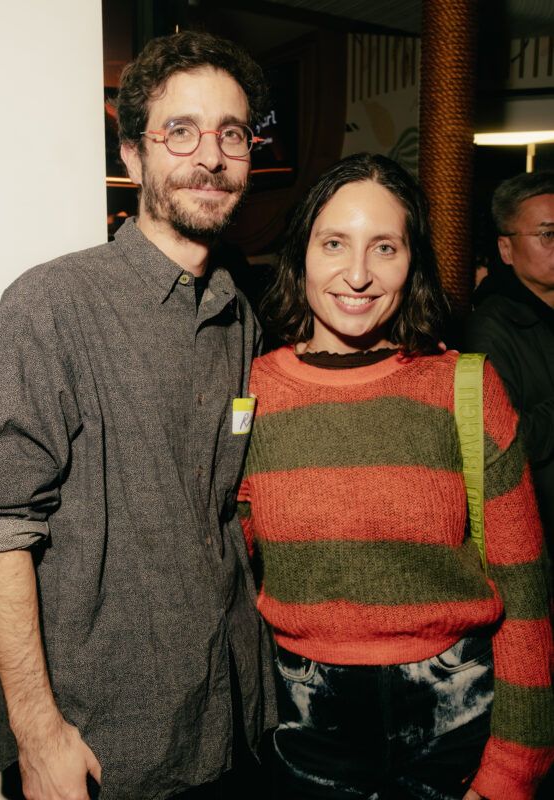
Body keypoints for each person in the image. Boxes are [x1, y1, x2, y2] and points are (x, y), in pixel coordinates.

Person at [0, 31, 277, 800]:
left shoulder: (238, 315)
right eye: (180, 131)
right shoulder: (51, 306)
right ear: (133, 156)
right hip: (101, 747)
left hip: (228, 723)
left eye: (232, 134)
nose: (210, 157)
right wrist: (37, 732)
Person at [237, 153, 554, 800]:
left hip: (457, 723)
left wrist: (514, 767)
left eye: (385, 247)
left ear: (413, 263)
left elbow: (524, 590)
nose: (358, 274)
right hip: (304, 723)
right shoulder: (252, 393)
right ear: (300, 255)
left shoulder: (464, 387)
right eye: (334, 243)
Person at [464, 171, 554, 570]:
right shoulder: (490, 326)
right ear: (506, 248)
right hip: (536, 540)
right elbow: (504, 447)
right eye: (548, 234)